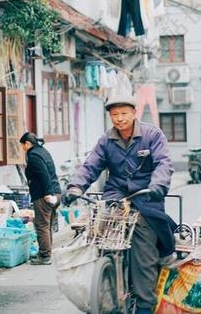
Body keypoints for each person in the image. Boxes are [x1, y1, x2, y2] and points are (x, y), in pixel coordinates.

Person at [62, 94, 176, 314]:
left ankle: (144, 305)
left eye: (124, 113)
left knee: (144, 247)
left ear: (134, 113)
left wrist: (158, 186)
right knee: (100, 235)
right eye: (115, 114)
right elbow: (91, 166)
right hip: (115, 194)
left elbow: (164, 163)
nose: (120, 118)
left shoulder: (152, 134)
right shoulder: (106, 140)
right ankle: (106, 281)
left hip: (146, 194)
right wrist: (76, 187)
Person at [20, 132, 62, 265]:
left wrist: (48, 194)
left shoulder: (34, 155)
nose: (22, 148)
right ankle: (46, 253)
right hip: (55, 192)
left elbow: (44, 175)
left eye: (22, 145)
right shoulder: (42, 151)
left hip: (45, 195)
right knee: (47, 224)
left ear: (27, 143)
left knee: (42, 225)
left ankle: (44, 256)